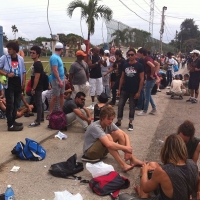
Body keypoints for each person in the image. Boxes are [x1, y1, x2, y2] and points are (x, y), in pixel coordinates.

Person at [135, 134, 198, 199]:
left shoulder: (162, 171)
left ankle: (143, 196)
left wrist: (144, 172)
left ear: (166, 150)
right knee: (152, 165)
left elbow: (145, 188)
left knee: (124, 196)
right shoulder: (192, 163)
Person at [82, 106, 144, 171]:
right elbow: (108, 144)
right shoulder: (95, 127)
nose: (111, 121)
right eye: (109, 119)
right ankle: (123, 165)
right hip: (90, 153)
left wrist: (128, 149)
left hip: (101, 152)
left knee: (119, 134)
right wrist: (126, 148)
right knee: (108, 137)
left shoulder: (109, 123)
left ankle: (133, 160)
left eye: (112, 119)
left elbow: (125, 135)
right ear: (102, 118)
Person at [115, 48, 144, 131]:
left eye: (132, 55)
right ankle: (119, 121)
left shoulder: (139, 66)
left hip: (134, 90)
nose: (130, 56)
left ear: (135, 55)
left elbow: (142, 79)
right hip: (125, 89)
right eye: (129, 55)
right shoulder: (125, 65)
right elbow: (122, 77)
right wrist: (119, 89)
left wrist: (139, 91)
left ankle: (130, 123)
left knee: (132, 107)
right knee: (120, 105)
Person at [0, 42, 26, 131]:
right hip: (10, 82)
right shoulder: (4, 58)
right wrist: (7, 74)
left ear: (15, 49)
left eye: (10, 49)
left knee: (16, 103)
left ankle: (13, 120)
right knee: (10, 104)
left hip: (18, 81)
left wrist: (23, 83)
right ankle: (10, 125)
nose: (8, 51)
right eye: (8, 49)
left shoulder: (20, 59)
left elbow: (24, 71)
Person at [137, 48, 157, 116]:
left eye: (138, 53)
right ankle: (154, 108)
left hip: (150, 79)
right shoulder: (149, 58)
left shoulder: (146, 59)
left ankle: (145, 111)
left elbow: (153, 66)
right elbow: (156, 64)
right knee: (148, 94)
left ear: (142, 53)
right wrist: (155, 74)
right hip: (151, 79)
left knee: (147, 96)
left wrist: (152, 74)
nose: (138, 55)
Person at [28, 46, 44, 127]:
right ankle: (41, 117)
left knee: (38, 103)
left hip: (37, 87)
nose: (31, 54)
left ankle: (38, 121)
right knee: (40, 102)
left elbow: (37, 77)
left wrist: (33, 88)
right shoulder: (36, 63)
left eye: (33, 53)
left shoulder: (37, 64)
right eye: (30, 52)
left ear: (38, 54)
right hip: (37, 86)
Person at [48, 42, 65, 115]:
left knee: (61, 95)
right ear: (61, 49)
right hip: (56, 80)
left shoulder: (58, 57)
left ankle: (61, 110)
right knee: (55, 96)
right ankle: (51, 112)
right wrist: (59, 81)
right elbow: (55, 70)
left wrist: (63, 78)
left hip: (61, 79)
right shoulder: (54, 57)